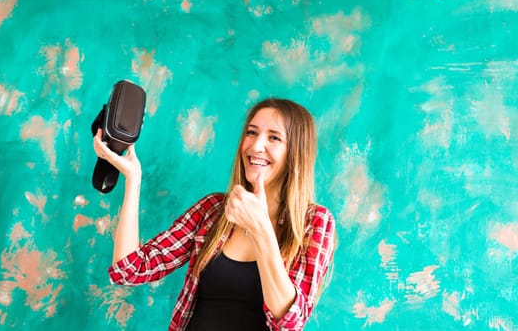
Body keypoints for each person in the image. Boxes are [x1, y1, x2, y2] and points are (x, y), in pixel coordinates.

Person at [92, 97, 336, 331]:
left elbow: (290, 323)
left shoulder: (314, 223)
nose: (256, 145)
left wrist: (261, 228)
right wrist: (133, 179)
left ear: (295, 152)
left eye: (274, 137)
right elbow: (129, 269)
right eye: (251, 133)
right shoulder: (213, 210)